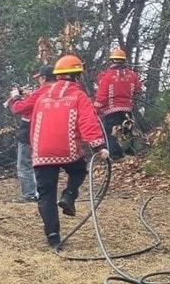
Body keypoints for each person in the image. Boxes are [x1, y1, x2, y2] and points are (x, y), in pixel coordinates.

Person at [27, 54, 109, 248]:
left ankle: (53, 237)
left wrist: (36, 150)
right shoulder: (79, 96)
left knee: (46, 194)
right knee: (78, 170)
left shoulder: (42, 96)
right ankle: (69, 195)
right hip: (67, 149)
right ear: (77, 76)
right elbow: (88, 122)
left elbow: (34, 125)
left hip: (41, 152)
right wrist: (99, 147)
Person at [7, 65, 54, 202]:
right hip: (50, 132)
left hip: (30, 132)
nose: (38, 81)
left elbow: (18, 108)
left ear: (44, 78)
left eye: (39, 78)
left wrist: (16, 97)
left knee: (25, 164)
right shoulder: (60, 92)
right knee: (46, 164)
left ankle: (29, 193)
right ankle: (45, 192)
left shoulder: (41, 92)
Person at [94, 47, 144, 160]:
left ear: (112, 60)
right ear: (124, 60)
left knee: (110, 133)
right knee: (126, 131)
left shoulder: (106, 76)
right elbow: (138, 90)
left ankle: (116, 156)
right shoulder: (133, 75)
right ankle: (130, 153)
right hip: (127, 110)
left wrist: (96, 109)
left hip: (111, 111)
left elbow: (101, 95)